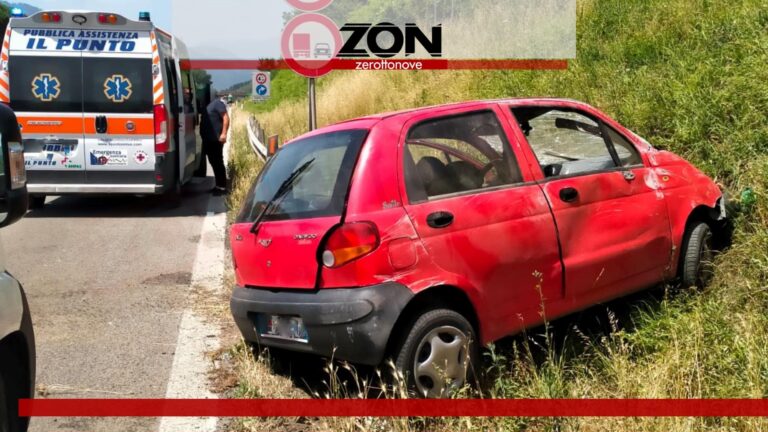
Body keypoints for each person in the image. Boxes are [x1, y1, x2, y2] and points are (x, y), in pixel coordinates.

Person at [200, 93, 230, 195]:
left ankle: (222, 187)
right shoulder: (208, 106)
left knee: (218, 162)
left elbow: (226, 117)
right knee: (213, 162)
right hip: (209, 139)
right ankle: (218, 185)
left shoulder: (217, 103)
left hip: (216, 139)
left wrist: (224, 133)